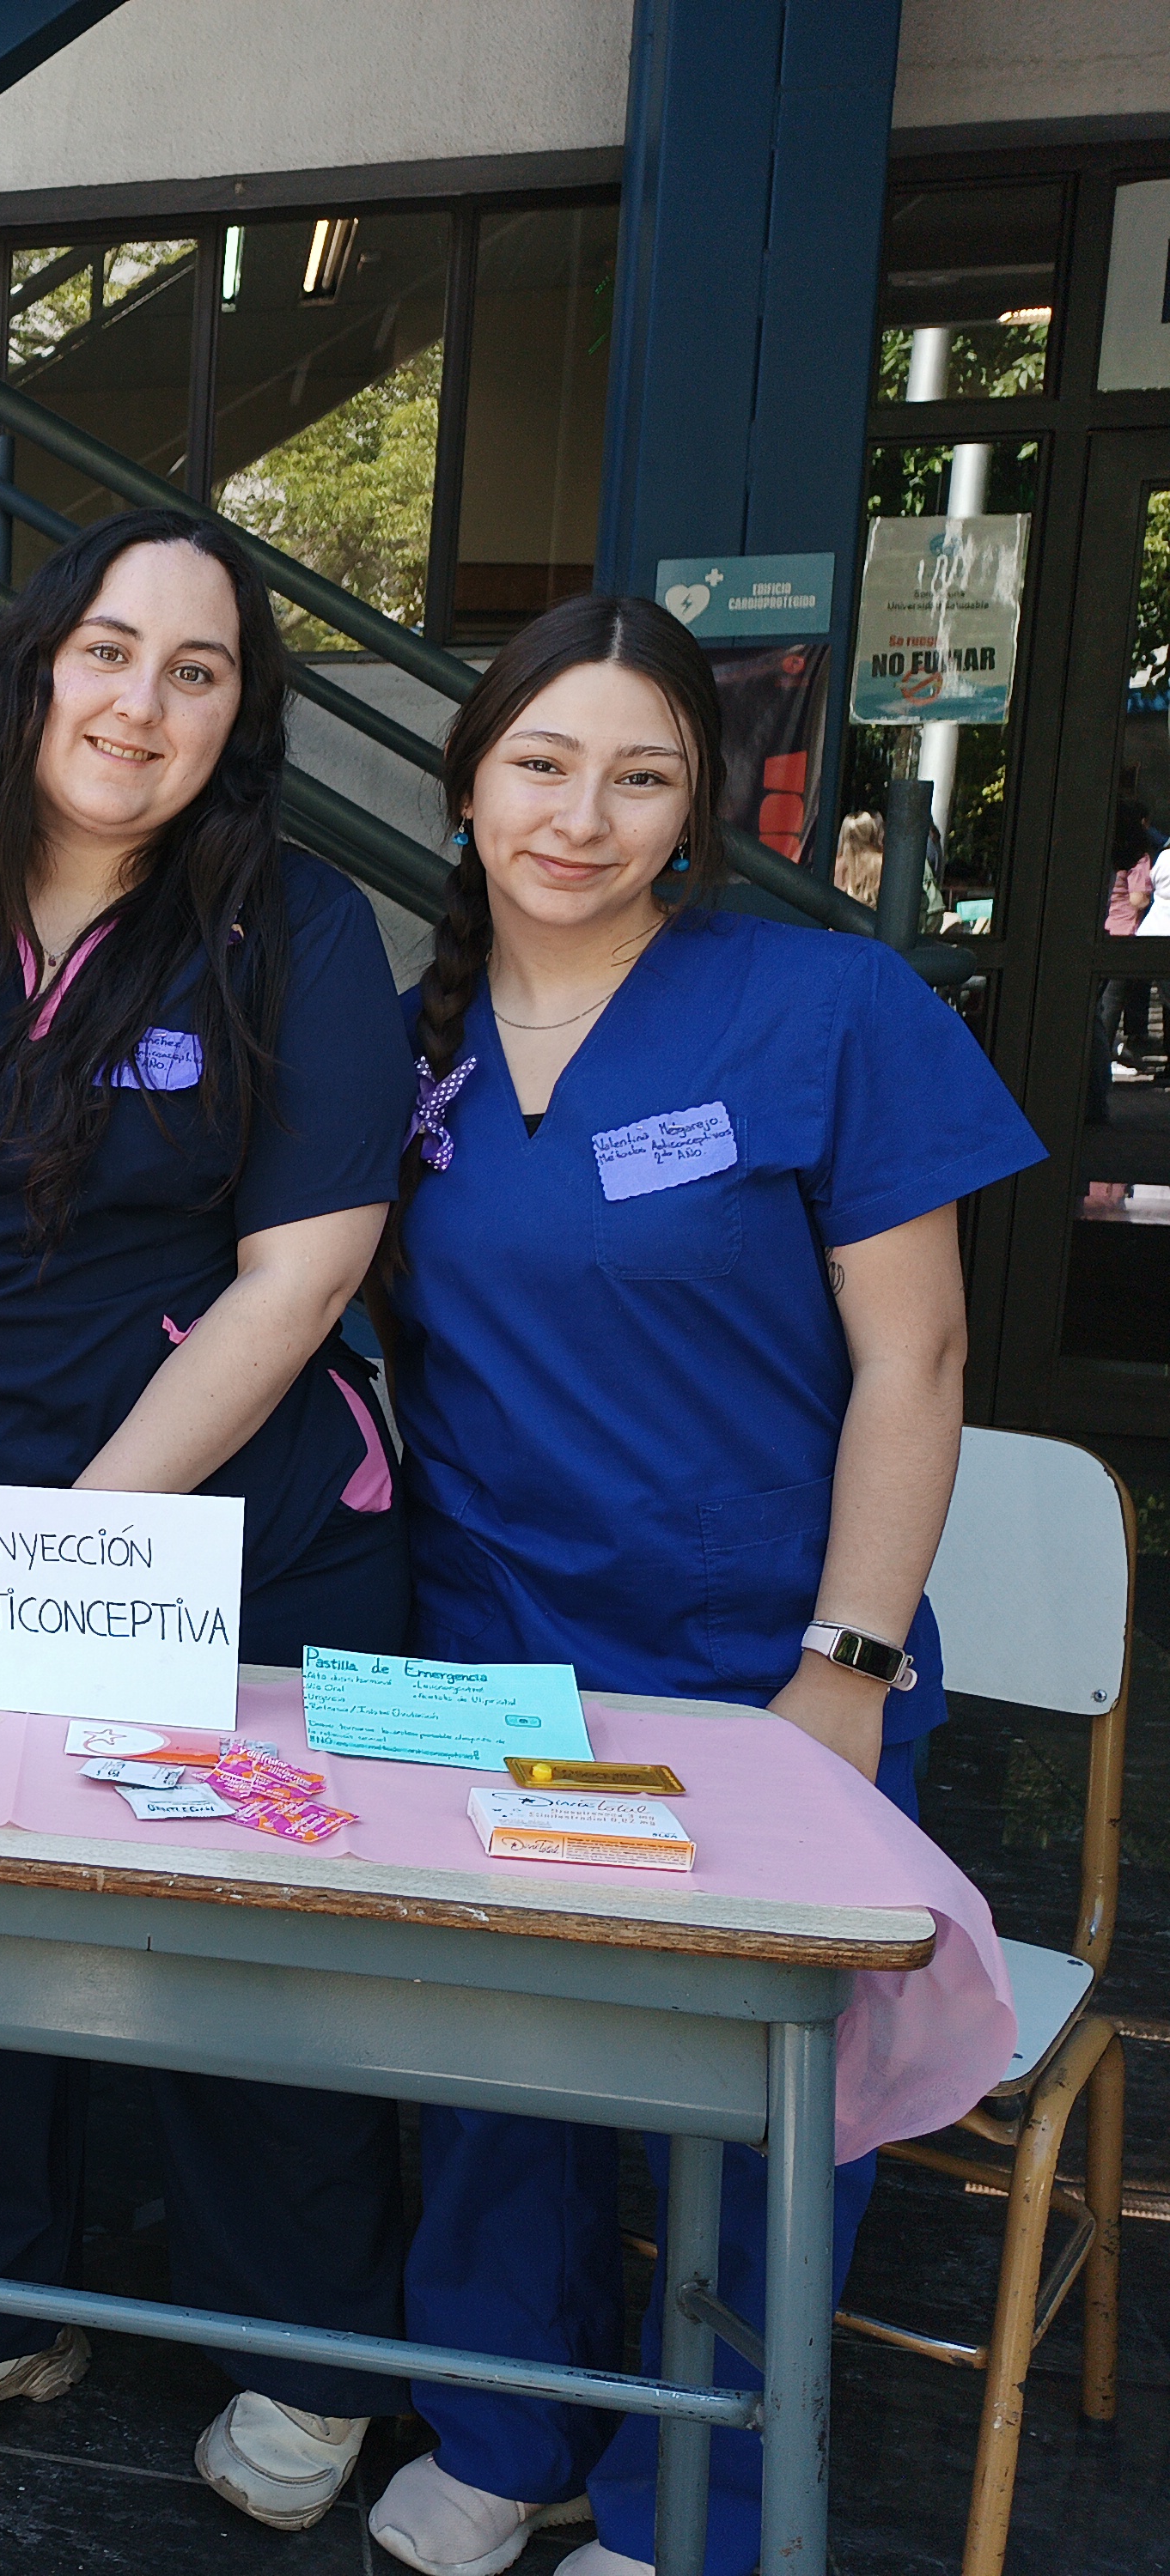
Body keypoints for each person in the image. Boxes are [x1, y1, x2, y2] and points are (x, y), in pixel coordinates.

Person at [0, 506, 417, 2530]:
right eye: (109, 651)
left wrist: (65, 1557)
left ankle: (302, 2334)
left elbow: (297, 1277)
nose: (139, 701)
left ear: (238, 718)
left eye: (194, 672)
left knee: (228, 1929)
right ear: (34, 665)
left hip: (210, 1524)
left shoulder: (290, 931)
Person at [356, 593, 1041, 2576]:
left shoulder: (823, 1008)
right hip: (491, 1644)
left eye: (638, 775)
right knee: (497, 2068)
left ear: (698, 808)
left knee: (758, 2112)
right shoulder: (410, 1039)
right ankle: (500, 2430)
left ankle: (705, 2506)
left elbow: (915, 1358)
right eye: (541, 764)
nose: (580, 815)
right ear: (468, 780)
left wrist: (843, 1659)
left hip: (764, 1662)